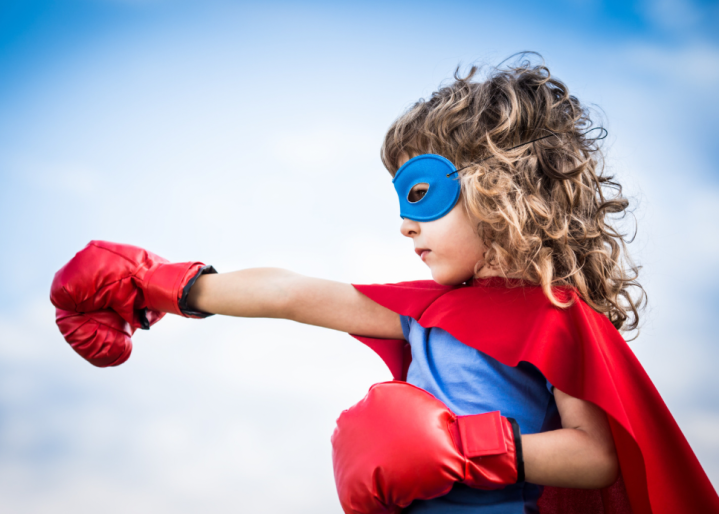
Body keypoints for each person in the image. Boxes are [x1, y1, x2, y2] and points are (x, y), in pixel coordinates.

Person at [50, 56, 719, 514]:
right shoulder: (426, 309)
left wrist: (466, 450)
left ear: (501, 189)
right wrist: (156, 286)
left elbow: (596, 456)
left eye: (422, 194)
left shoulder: (557, 316)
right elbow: (291, 294)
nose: (404, 224)